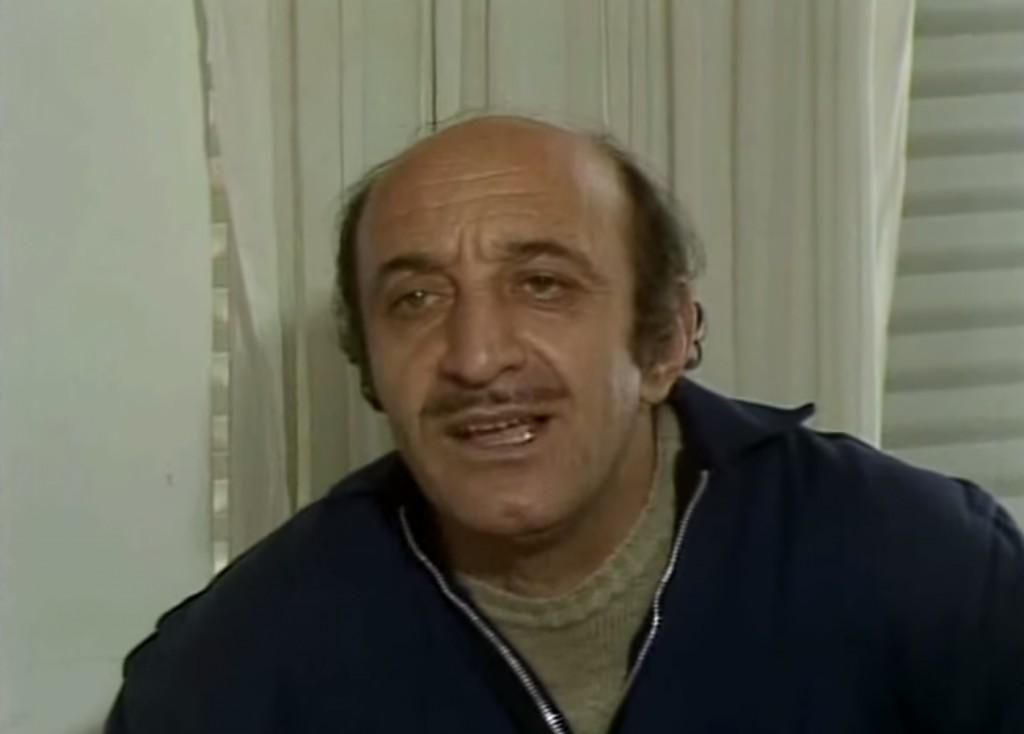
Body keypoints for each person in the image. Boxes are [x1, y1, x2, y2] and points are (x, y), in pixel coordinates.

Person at [106, 116, 1024, 733]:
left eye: (542, 285)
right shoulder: (229, 672)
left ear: (664, 342)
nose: (475, 357)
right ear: (369, 366)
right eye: (416, 299)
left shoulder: (926, 569)